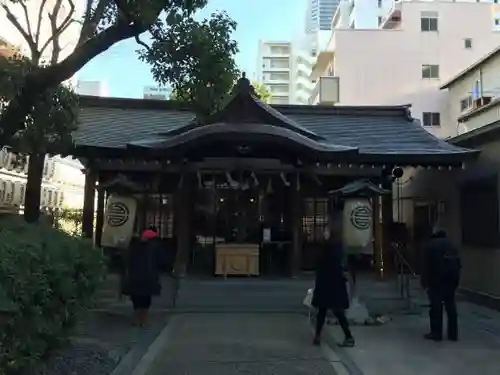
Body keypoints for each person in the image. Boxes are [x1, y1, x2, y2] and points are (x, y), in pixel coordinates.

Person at [312, 212, 355, 347]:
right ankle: (317, 336)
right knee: (323, 310)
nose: (325, 231)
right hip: (329, 281)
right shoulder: (332, 245)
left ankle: (348, 336)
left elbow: (333, 263)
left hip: (332, 281)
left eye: (326, 228)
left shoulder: (334, 246)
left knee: (335, 311)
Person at [421, 226, 461, 342]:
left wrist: (424, 283)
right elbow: (458, 265)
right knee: (451, 308)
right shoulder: (452, 246)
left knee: (436, 308)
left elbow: (426, 266)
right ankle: (453, 334)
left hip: (436, 281)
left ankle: (436, 333)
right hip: (450, 281)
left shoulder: (430, 246)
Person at [122, 226, 162, 326]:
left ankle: (137, 315)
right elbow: (161, 261)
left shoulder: (134, 247)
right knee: (146, 297)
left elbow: (127, 260)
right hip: (149, 276)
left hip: (136, 276)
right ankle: (143, 317)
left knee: (136, 297)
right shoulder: (156, 247)